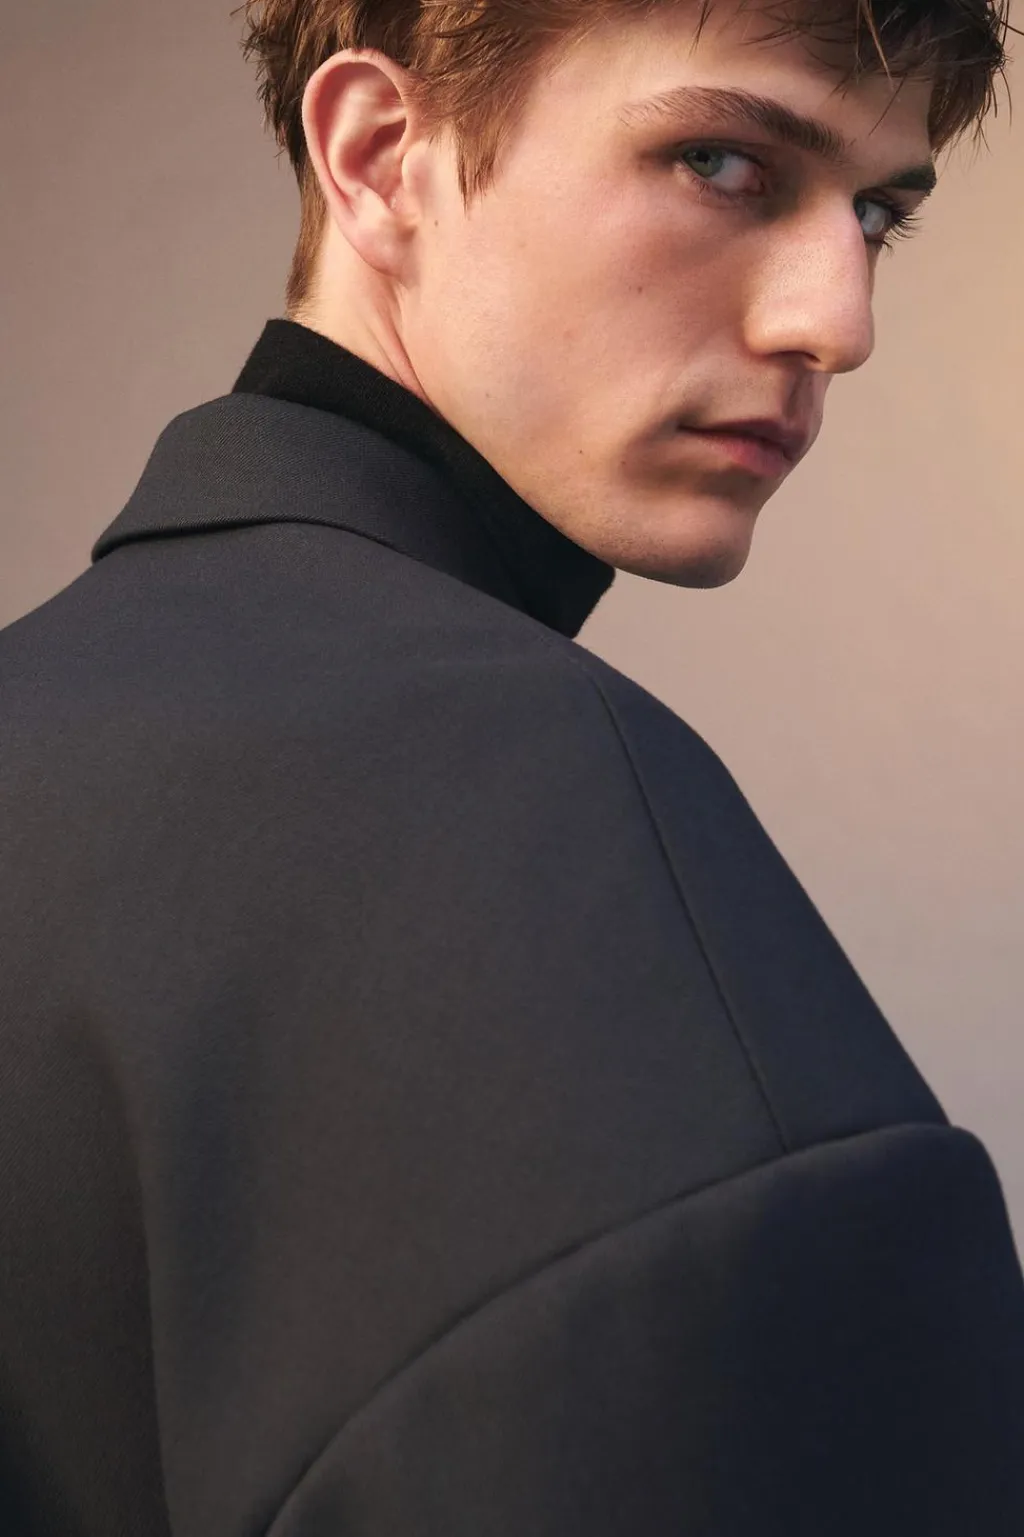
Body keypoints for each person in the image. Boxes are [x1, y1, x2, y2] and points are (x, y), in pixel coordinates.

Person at [2, 0, 1023, 1532]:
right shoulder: (551, 824)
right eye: (725, 163)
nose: (840, 320)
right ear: (381, 156)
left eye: (877, 213)